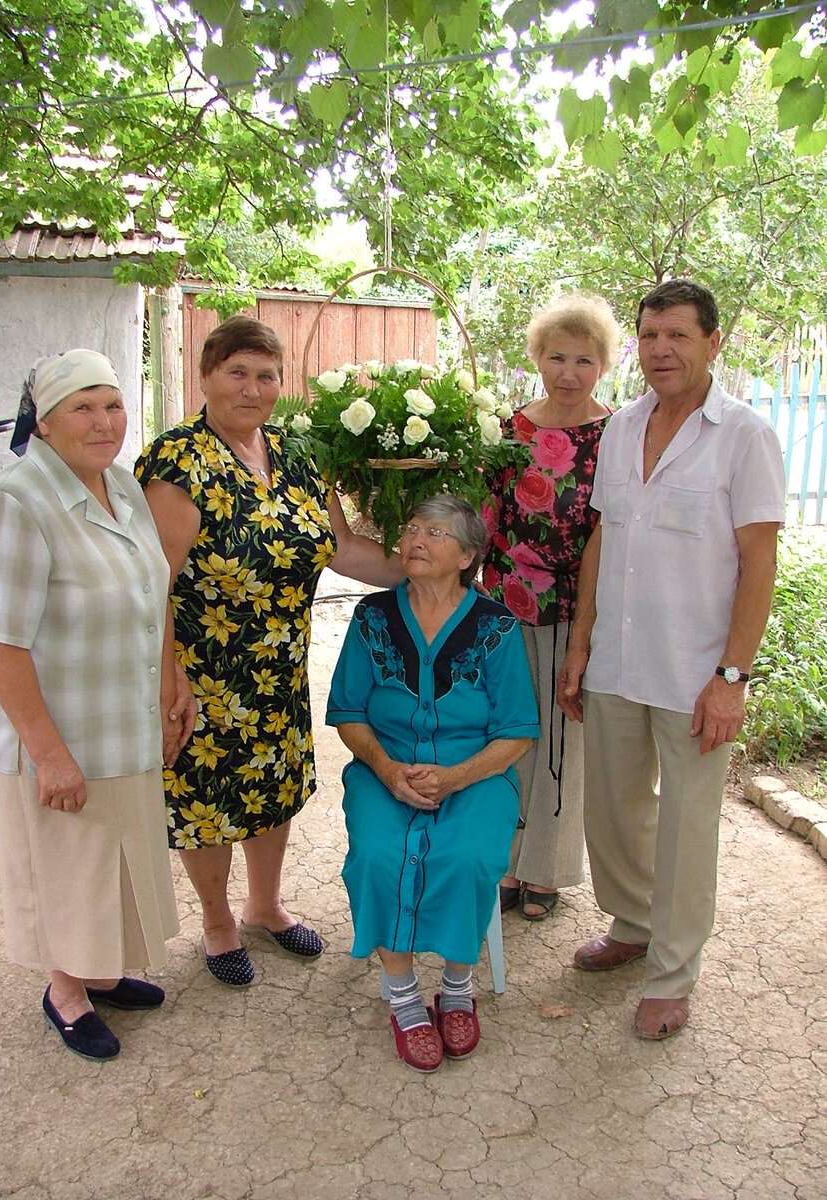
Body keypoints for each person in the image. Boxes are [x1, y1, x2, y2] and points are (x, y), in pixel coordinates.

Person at [135, 315, 404, 988]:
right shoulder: (177, 462)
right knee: (208, 799)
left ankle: (264, 905)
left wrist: (424, 568)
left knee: (272, 787)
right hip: (203, 672)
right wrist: (169, 677)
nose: (253, 389)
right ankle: (218, 921)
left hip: (279, 666)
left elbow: (338, 547)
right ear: (206, 376)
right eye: (238, 373)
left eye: (267, 375)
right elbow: (152, 583)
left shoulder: (296, 452)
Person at [557, 279, 785, 1040]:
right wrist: (581, 643)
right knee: (615, 810)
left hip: (695, 673)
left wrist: (731, 679)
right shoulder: (620, 428)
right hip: (619, 658)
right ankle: (634, 923)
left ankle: (672, 973)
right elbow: (601, 539)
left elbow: (759, 563)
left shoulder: (743, 434)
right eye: (651, 335)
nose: (662, 350)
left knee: (687, 827)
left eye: (679, 336)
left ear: (713, 343)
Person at [0, 349, 195, 1062]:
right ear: (43, 420)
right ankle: (66, 991)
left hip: (121, 720)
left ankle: (101, 969)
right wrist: (49, 755)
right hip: (61, 734)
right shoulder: (19, 503)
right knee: (71, 867)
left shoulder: (122, 488)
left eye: (113, 404)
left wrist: (169, 682)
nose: (104, 422)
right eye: (82, 407)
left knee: (117, 857)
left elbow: (152, 589)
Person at [326, 496, 539, 1071]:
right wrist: (388, 771)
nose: (417, 539)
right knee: (376, 854)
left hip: (476, 773)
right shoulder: (372, 617)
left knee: (467, 855)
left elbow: (517, 732)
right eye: (413, 528)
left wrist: (455, 777)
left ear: (468, 555)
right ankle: (402, 994)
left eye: (436, 533)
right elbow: (348, 712)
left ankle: (456, 984)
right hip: (384, 769)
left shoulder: (495, 626)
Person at [483, 294, 620, 922]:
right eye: (557, 357)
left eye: (584, 360)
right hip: (508, 599)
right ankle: (508, 862)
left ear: (604, 365)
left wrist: (587, 620)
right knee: (510, 729)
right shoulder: (512, 428)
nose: (569, 372)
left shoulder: (617, 432)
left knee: (565, 733)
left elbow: (608, 529)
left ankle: (547, 870)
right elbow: (488, 513)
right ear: (537, 358)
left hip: (579, 603)